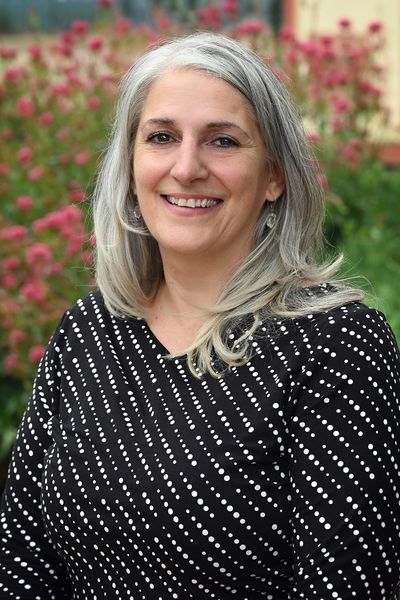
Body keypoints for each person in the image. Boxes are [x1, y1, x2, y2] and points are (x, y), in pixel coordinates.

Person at [1, 32, 399, 600]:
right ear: (132, 164)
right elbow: (21, 554)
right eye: (161, 137)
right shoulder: (89, 328)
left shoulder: (335, 345)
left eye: (223, 141)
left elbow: (345, 586)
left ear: (274, 176)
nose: (187, 168)